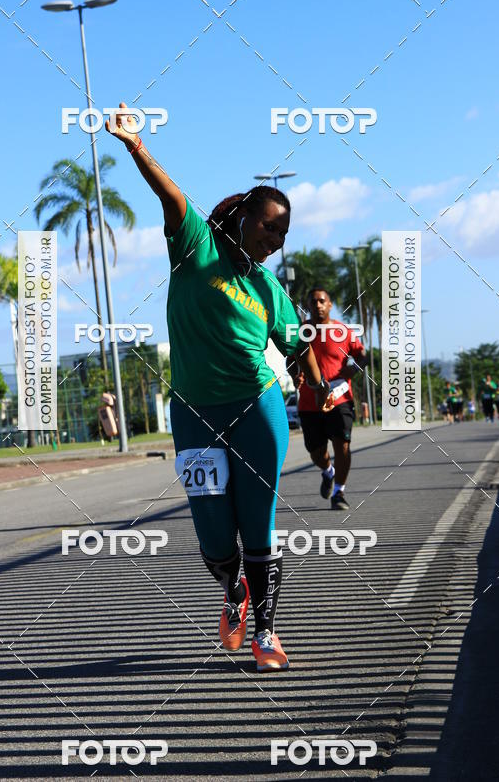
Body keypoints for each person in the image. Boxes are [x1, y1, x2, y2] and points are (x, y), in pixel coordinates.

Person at [106, 104, 334, 672]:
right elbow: (173, 199)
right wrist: (136, 146)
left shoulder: (266, 288)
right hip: (193, 414)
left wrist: (320, 383)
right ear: (241, 218)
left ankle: (266, 634)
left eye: (284, 232)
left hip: (257, 409)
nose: (277, 241)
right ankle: (232, 595)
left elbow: (296, 344)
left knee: (258, 524)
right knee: (212, 533)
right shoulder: (195, 248)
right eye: (270, 227)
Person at [289, 288, 366, 511]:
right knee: (316, 452)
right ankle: (328, 471)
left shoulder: (342, 331)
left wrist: (353, 369)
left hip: (339, 397)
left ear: (330, 305)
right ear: (308, 306)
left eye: (322, 301)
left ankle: (339, 492)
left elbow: (362, 355)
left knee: (342, 445)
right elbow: (290, 360)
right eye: (313, 302)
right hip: (309, 402)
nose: (318, 305)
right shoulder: (301, 332)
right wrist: (295, 373)